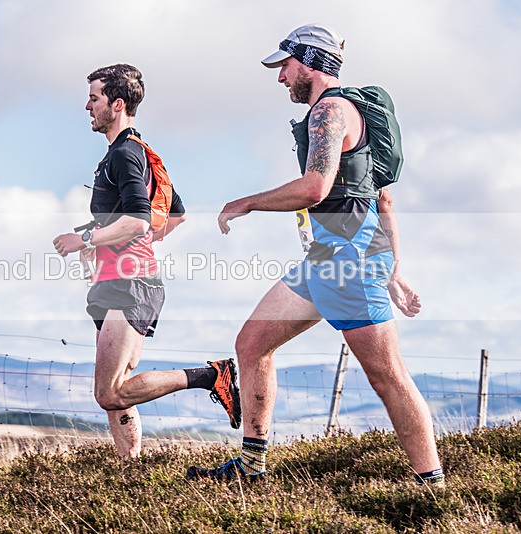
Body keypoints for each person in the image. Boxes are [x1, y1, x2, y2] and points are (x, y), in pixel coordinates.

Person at [187, 25, 444, 486]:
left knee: (388, 378)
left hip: (349, 262)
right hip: (328, 260)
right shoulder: (358, 113)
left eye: (284, 66)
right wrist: (395, 271)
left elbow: (314, 187)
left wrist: (245, 202)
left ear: (308, 62)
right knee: (251, 344)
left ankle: (434, 486)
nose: (281, 77)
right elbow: (382, 200)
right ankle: (251, 468)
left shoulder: (329, 110)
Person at [53, 64, 241, 458]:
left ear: (117, 103)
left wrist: (86, 238)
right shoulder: (133, 153)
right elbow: (175, 214)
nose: (87, 106)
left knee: (109, 392)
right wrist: (106, 241)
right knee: (117, 387)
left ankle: (211, 375)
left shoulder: (126, 153)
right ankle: (129, 471)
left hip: (130, 283)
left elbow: (139, 220)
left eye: (94, 98)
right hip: (115, 279)